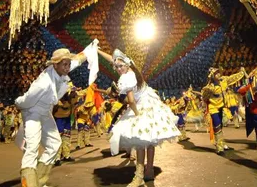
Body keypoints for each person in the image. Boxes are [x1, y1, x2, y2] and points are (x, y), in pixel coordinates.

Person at [98, 48, 180, 187]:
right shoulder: (130, 67)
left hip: (141, 105)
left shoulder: (127, 77)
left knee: (141, 139)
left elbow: (130, 101)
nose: (117, 69)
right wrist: (98, 51)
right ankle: (148, 172)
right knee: (149, 139)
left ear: (127, 65)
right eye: (116, 66)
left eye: (120, 66)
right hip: (149, 102)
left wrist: (136, 114)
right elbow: (113, 59)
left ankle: (139, 175)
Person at [15, 48, 88, 187]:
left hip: (46, 112)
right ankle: (28, 183)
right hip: (33, 112)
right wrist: (17, 103)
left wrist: (92, 49)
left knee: (54, 144)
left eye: (68, 64)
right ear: (55, 65)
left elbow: (78, 60)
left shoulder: (61, 69)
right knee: (32, 149)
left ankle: (39, 181)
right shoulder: (43, 83)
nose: (68, 68)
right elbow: (27, 101)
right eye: (64, 65)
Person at [201, 67, 245, 155]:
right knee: (217, 126)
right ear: (212, 76)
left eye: (218, 72)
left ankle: (222, 143)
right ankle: (219, 147)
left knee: (220, 126)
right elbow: (204, 97)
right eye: (216, 73)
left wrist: (241, 73)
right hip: (213, 108)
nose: (218, 74)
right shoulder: (209, 87)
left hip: (221, 107)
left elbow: (232, 78)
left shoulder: (223, 81)